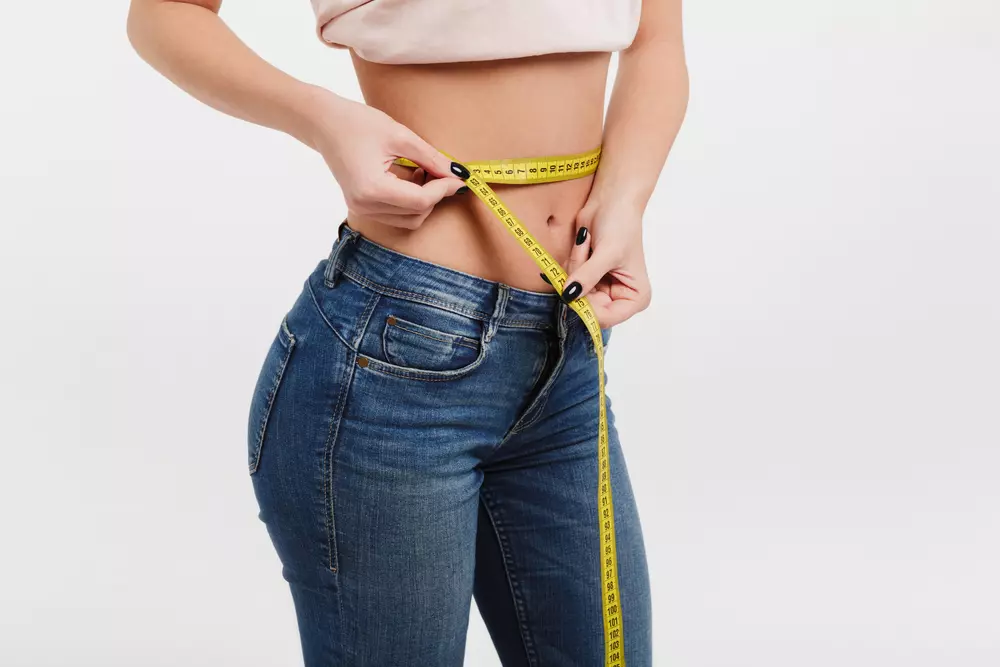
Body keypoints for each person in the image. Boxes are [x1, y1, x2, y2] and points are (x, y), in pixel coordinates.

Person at [127, 0, 688, 664]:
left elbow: (656, 42)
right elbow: (162, 15)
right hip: (394, 369)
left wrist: (625, 198)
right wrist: (328, 121)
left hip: (567, 359)